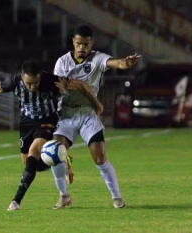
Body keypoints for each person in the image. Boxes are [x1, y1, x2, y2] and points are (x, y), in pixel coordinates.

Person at [0, 61, 103, 211]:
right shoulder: (13, 81)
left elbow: (81, 85)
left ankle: (16, 201)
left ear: (40, 77)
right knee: (30, 165)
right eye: (28, 83)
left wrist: (90, 101)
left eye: (36, 82)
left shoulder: (52, 80)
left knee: (34, 152)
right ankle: (61, 160)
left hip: (47, 121)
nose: (32, 87)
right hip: (26, 122)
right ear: (22, 77)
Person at [50, 25, 141, 209]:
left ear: (91, 42)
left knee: (100, 158)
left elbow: (116, 63)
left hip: (87, 114)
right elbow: (60, 85)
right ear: (73, 43)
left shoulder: (98, 58)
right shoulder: (62, 62)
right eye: (78, 43)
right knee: (54, 154)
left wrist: (125, 63)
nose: (82, 47)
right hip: (66, 114)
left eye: (85, 43)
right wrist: (75, 86)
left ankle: (117, 198)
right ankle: (64, 196)